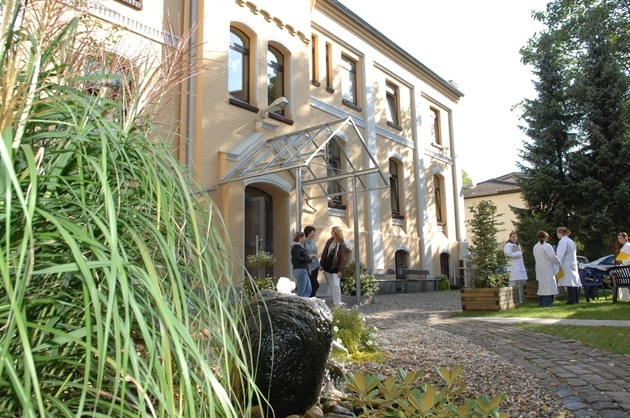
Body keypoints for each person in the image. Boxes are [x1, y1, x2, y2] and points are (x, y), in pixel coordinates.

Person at [319, 226, 347, 306]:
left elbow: (343, 258)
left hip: (336, 267)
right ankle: (335, 302)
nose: (331, 233)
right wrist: (322, 264)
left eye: (333, 231)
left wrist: (340, 270)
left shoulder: (341, 243)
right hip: (328, 266)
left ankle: (338, 302)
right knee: (331, 285)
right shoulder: (329, 241)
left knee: (336, 284)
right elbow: (324, 253)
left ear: (337, 232)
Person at [533, 231, 561, 307]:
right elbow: (552, 257)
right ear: (546, 237)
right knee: (548, 286)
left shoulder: (535, 246)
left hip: (539, 268)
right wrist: (559, 262)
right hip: (547, 268)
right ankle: (547, 303)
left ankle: (541, 302)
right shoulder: (547, 246)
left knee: (542, 286)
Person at [556, 227, 581, 304]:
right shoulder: (571, 241)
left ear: (560, 233)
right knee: (573, 282)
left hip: (566, 264)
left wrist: (557, 263)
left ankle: (572, 300)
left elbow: (560, 254)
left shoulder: (563, 241)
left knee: (569, 282)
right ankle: (576, 299)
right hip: (572, 263)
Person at [504, 232, 528, 304]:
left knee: (518, 284)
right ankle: (511, 301)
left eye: (515, 237)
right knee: (512, 284)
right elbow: (509, 254)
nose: (514, 238)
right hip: (513, 267)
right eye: (513, 237)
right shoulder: (508, 245)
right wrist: (519, 253)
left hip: (518, 267)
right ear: (510, 238)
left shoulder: (517, 244)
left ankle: (519, 300)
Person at [290, 231, 312, 297]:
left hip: (303, 269)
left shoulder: (300, 247)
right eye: (303, 237)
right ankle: (298, 304)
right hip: (300, 269)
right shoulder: (296, 247)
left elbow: (302, 259)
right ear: (299, 238)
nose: (304, 239)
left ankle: (303, 303)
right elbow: (297, 258)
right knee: (301, 289)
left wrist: (308, 260)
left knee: (308, 289)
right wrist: (307, 257)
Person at [303, 226, 321, 297]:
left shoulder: (313, 243)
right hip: (309, 267)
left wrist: (318, 264)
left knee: (313, 285)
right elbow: (303, 255)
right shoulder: (304, 243)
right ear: (309, 232)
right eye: (313, 232)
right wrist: (307, 268)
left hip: (315, 266)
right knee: (315, 284)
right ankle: (309, 298)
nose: (314, 234)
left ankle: (313, 297)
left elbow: (315, 254)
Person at [616, 232, 630, 302]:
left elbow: (628, 258)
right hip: (623, 266)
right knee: (623, 280)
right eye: (618, 238)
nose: (619, 240)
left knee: (625, 281)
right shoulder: (625, 246)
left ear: (626, 238)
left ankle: (624, 298)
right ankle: (621, 298)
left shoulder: (627, 246)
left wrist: (623, 261)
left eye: (620, 238)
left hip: (626, 267)